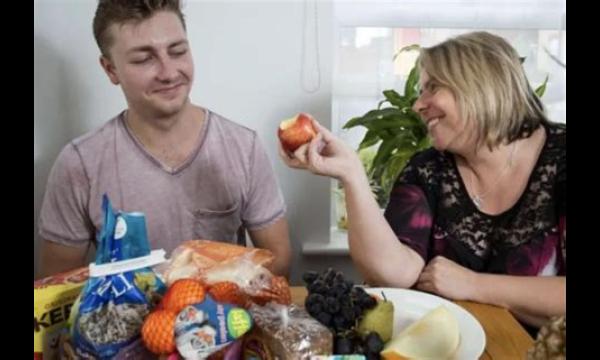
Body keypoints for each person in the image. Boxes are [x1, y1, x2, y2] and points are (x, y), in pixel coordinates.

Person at [281, 31, 565, 328]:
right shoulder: (427, 168)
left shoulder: (560, 156)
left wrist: (472, 284)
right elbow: (395, 273)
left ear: (479, 86)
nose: (418, 104)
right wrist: (351, 174)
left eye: (432, 88)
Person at [38, 0, 291, 278]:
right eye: (144, 59)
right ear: (111, 70)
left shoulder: (244, 148)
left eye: (178, 51)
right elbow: (55, 288)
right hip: (130, 320)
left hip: (224, 318)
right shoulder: (79, 164)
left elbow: (279, 265)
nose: (169, 73)